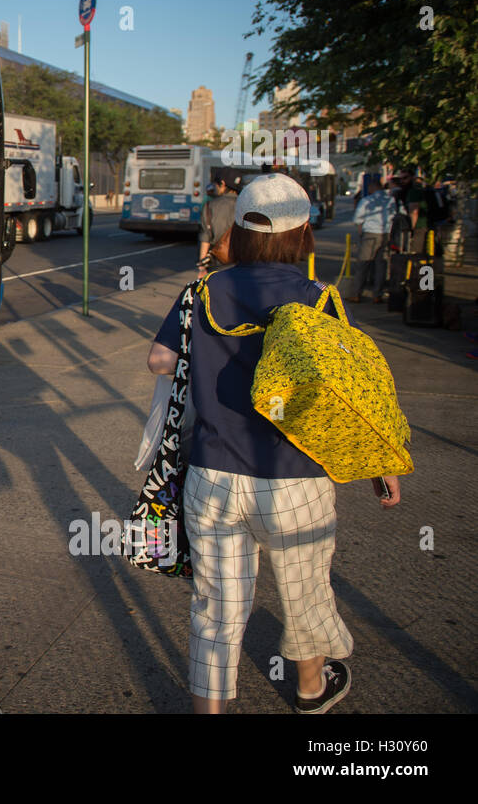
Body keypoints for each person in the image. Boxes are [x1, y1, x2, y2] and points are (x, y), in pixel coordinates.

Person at [146, 173, 403, 714]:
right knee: (305, 591)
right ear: (304, 233)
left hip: (212, 477)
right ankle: (311, 687)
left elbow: (160, 360)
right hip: (296, 482)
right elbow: (350, 396)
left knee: (216, 609)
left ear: (237, 230)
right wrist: (379, 464)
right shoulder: (318, 299)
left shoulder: (201, 293)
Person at [349, 176, 400, 303]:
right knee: (380, 265)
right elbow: (394, 216)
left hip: (370, 234)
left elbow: (357, 219)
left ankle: (356, 294)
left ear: (372, 188)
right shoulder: (390, 200)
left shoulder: (367, 200)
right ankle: (377, 294)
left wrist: (361, 230)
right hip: (385, 235)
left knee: (363, 264)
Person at [197, 167, 243, 273]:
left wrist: (202, 266)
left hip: (217, 262)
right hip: (242, 262)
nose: (215, 188)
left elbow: (206, 237)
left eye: (216, 185)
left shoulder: (210, 206)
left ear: (222, 184)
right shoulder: (247, 205)